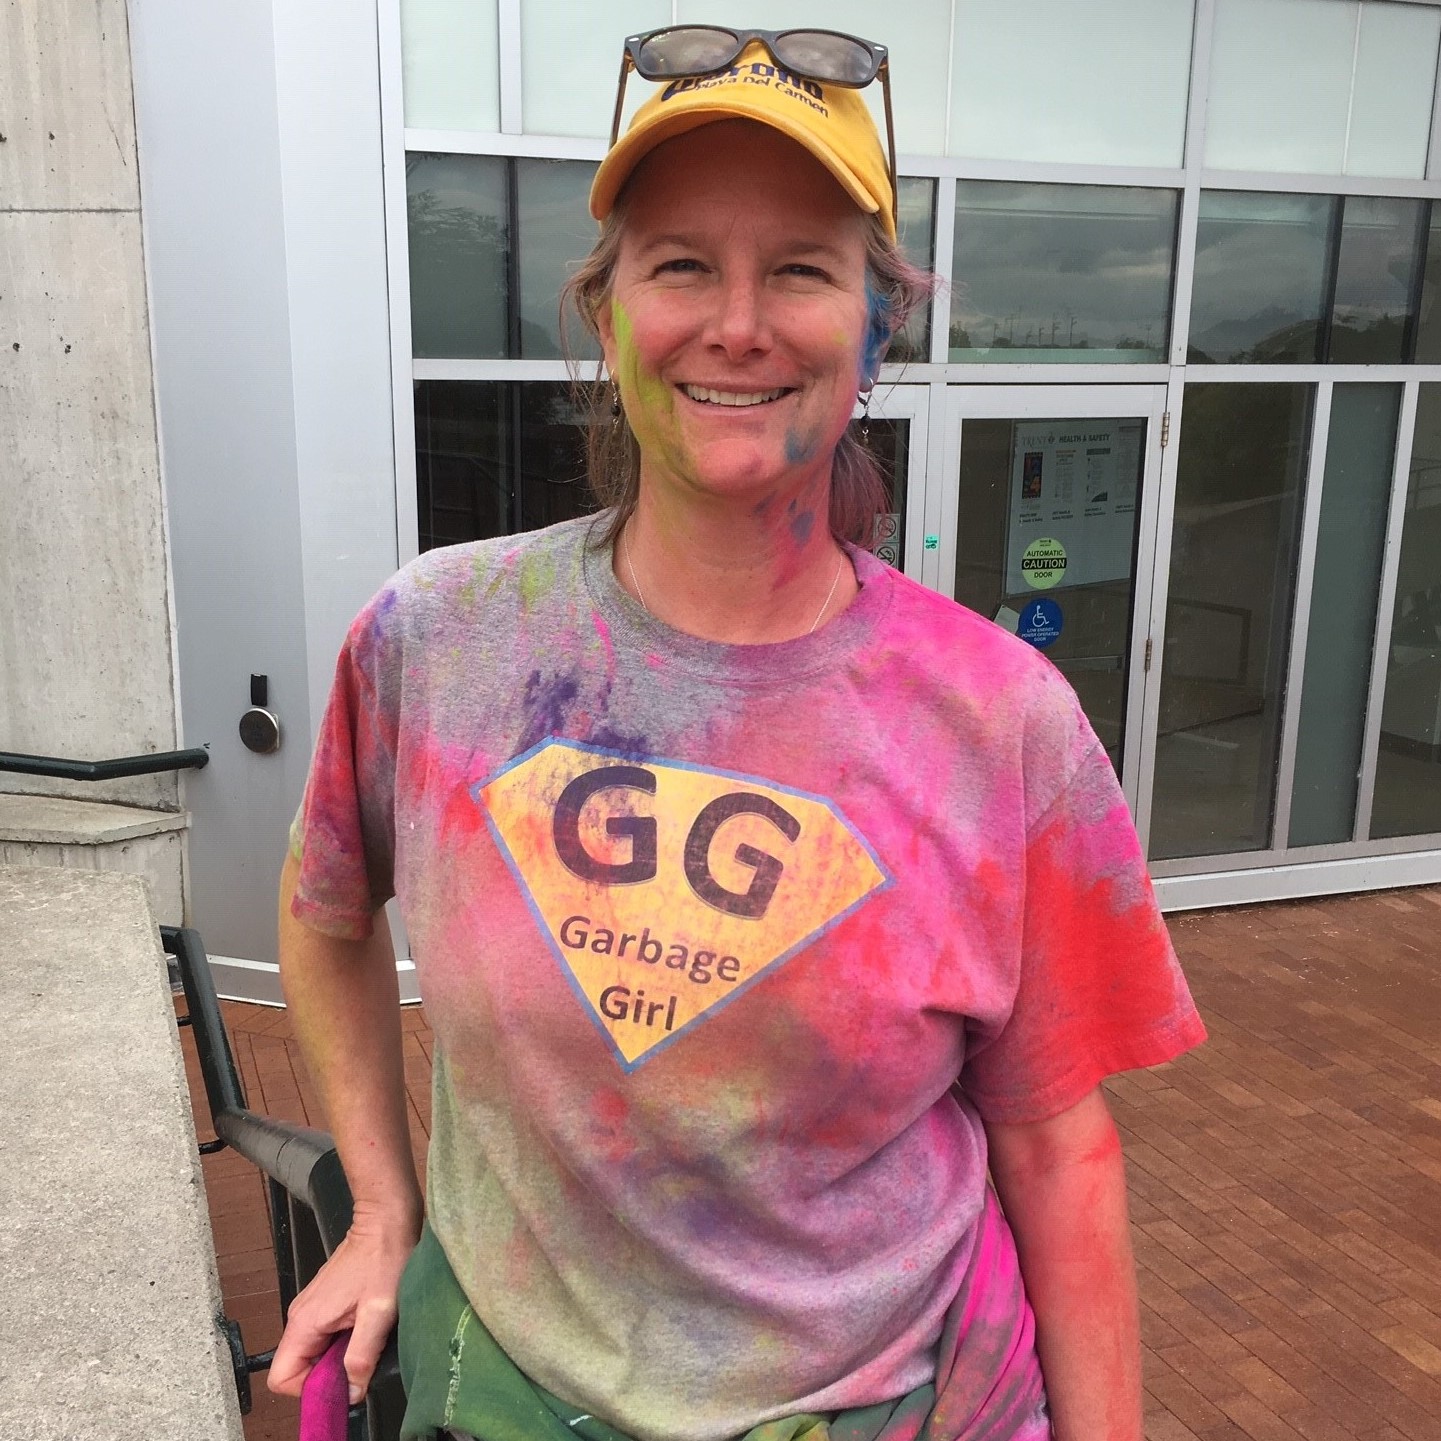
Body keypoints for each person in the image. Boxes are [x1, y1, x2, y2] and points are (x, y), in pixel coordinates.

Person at [269, 25, 1205, 1441]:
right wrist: (381, 1201)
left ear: (876, 329)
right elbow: (325, 910)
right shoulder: (437, 641)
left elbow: (1060, 1148)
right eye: (682, 263)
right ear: (606, 316)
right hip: (512, 1399)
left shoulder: (1002, 723)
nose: (738, 322)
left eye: (802, 270)